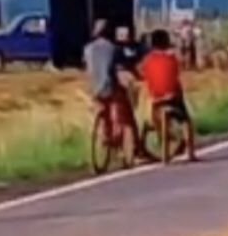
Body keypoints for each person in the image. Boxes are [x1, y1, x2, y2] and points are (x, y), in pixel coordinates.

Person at [83, 19, 152, 161]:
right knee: (125, 116)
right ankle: (133, 149)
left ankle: (105, 137)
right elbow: (121, 67)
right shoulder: (114, 49)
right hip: (111, 88)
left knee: (102, 111)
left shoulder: (87, 49)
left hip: (94, 89)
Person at [139, 28, 197, 161]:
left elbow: (143, 74)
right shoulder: (172, 59)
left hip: (156, 99)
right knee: (186, 121)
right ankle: (191, 153)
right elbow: (176, 74)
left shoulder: (147, 60)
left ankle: (141, 149)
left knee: (145, 120)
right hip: (172, 98)